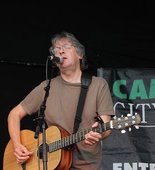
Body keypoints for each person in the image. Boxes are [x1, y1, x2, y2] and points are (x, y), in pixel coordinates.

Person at [7, 31, 114, 170]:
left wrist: (99, 133)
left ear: (80, 55)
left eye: (66, 46)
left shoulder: (98, 85)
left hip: (86, 166)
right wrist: (17, 146)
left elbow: (106, 126)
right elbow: (14, 115)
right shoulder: (46, 87)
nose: (61, 51)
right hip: (53, 165)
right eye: (56, 49)